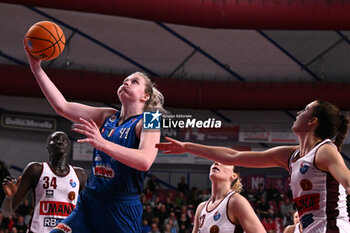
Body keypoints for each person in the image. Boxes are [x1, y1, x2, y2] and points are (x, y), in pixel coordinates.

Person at [24, 42, 165, 233]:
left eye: (134, 82)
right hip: (89, 202)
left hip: (121, 209)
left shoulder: (151, 120)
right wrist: (36, 69)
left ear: (145, 97)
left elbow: (145, 161)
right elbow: (62, 107)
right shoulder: (107, 116)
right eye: (125, 79)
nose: (126, 82)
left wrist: (103, 143)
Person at [156, 100, 350, 233]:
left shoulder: (324, 150)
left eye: (306, 109)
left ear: (312, 121)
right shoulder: (290, 155)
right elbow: (235, 155)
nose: (299, 112)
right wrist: (186, 147)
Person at [1, 131, 87, 233]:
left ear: (69, 147)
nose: (59, 142)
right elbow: (7, 213)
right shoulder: (35, 169)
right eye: (55, 140)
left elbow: (86, 213)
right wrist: (9, 198)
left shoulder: (80, 175)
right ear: (47, 147)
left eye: (64, 140)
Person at [191, 162, 266, 233]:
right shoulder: (201, 207)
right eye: (215, 161)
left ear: (234, 176)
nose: (216, 163)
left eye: (224, 162)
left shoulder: (236, 201)